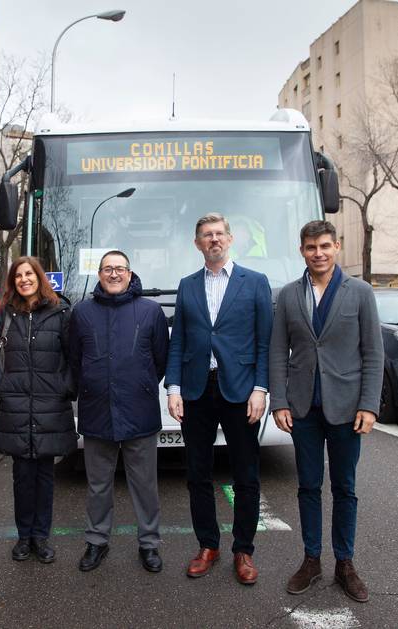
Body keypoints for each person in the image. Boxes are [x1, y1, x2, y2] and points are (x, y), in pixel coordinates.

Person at [269, 220, 384, 603]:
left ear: (337, 246)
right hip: (302, 408)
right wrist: (280, 402)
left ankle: (345, 564)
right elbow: (276, 353)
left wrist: (369, 405)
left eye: (324, 246)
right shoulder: (288, 295)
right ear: (301, 251)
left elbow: (373, 353)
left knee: (345, 488)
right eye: (310, 247)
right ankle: (312, 559)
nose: (318, 253)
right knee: (307, 487)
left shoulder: (361, 292)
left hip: (347, 408)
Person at [165, 212, 273, 585]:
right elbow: (178, 339)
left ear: (230, 239)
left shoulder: (255, 283)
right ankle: (207, 545)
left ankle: (243, 550)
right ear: (197, 244)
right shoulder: (187, 285)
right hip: (196, 390)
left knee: (246, 474)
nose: (213, 239)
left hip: (240, 390)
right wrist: (174, 388)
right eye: (205, 235)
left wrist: (261, 388)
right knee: (197, 473)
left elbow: (264, 342)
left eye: (218, 234)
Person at [68, 250, 169, 573]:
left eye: (120, 269)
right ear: (99, 274)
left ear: (130, 273)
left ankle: (149, 544)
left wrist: (140, 384)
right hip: (96, 411)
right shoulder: (82, 313)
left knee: (144, 484)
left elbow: (160, 361)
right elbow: (74, 360)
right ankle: (97, 541)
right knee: (98, 485)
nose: (114, 274)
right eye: (108, 269)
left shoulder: (151, 312)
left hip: (139, 411)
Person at [0, 257, 77, 564]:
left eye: (29, 274)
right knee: (22, 476)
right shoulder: (5, 314)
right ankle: (24, 537)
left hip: (51, 405)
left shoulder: (61, 312)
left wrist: (65, 387)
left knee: (45, 476)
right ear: (13, 281)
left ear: (39, 278)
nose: (24, 279)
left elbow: (74, 357)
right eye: (18, 275)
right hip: (17, 405)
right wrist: (0, 386)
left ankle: (41, 536)